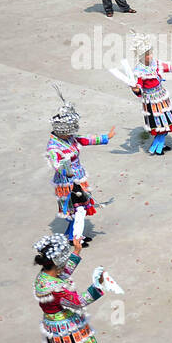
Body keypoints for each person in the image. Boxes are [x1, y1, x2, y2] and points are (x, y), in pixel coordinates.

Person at [34, 234, 110, 343]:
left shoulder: (44, 277)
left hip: (57, 322)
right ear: (57, 263)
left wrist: (77, 251)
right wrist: (97, 286)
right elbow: (79, 302)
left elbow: (64, 272)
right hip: (63, 327)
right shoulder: (56, 289)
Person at [46, 91, 115, 243]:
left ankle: (72, 235)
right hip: (67, 183)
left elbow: (84, 140)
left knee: (77, 210)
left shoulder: (70, 139)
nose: (72, 134)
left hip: (78, 177)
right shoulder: (53, 146)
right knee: (78, 210)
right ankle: (74, 237)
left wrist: (105, 138)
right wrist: (66, 171)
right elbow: (56, 164)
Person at [128, 34, 172, 155]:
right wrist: (135, 89)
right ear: (141, 56)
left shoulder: (155, 64)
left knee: (166, 124)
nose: (150, 56)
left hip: (162, 98)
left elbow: (170, 66)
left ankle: (157, 146)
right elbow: (138, 87)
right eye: (147, 54)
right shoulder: (139, 71)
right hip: (151, 102)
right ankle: (158, 147)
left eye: (150, 53)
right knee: (161, 124)